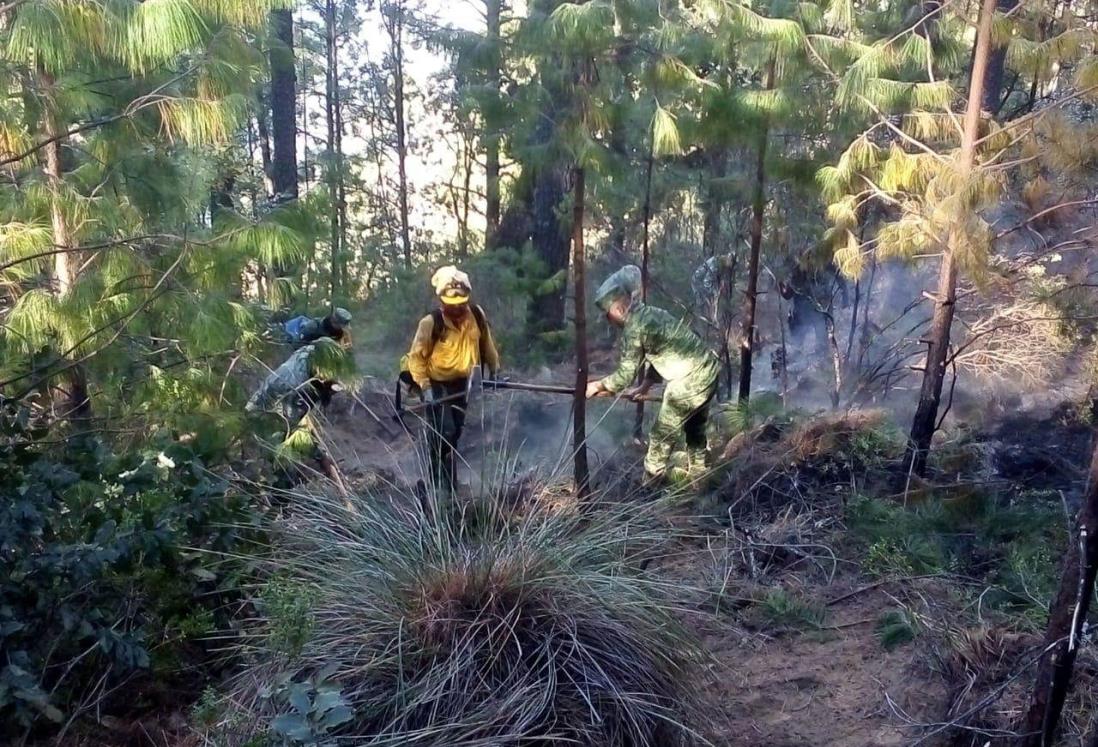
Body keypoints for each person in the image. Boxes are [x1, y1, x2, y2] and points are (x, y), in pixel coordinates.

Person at [586, 265, 719, 484]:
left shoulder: (634, 329)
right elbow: (664, 353)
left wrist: (597, 386)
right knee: (694, 427)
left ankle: (651, 481)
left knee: (661, 434)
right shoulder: (651, 315)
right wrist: (645, 387)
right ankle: (699, 476)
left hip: (691, 379)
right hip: (708, 371)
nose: (609, 321)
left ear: (618, 309)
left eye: (608, 315)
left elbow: (624, 376)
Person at [404, 266, 500, 495]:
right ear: (441, 299)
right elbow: (415, 359)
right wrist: (425, 388)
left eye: (461, 303)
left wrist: (495, 370)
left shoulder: (476, 315)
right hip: (437, 386)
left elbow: (486, 344)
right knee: (442, 432)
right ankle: (438, 485)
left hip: (464, 385)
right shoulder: (430, 323)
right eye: (451, 303)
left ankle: (449, 483)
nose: (457, 307)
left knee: (455, 432)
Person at [246, 337, 349, 496]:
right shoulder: (297, 386)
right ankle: (277, 504)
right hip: (267, 418)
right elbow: (291, 426)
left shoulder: (309, 354)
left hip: (278, 409)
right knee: (284, 468)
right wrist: (319, 454)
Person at [284, 308, 353, 348]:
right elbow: (296, 343)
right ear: (333, 322)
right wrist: (315, 345)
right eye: (341, 326)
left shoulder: (338, 333)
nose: (342, 328)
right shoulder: (314, 327)